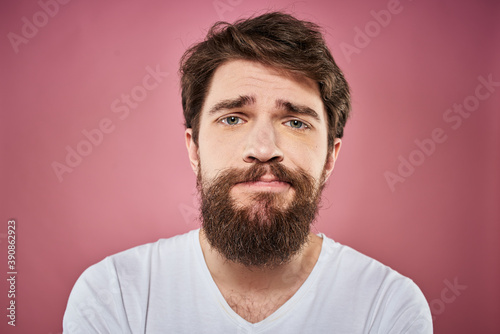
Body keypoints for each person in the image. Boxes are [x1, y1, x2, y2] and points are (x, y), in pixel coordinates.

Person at [63, 12, 432, 333]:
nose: (263, 148)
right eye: (233, 118)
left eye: (295, 122)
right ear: (194, 148)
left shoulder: (387, 306)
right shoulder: (114, 295)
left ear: (330, 157)